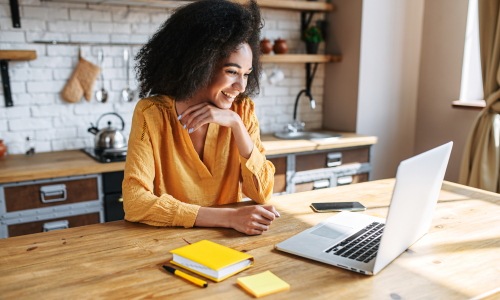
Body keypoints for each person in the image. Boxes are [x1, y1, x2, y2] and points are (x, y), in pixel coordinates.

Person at [122, 0, 278, 235]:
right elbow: (135, 203)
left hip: (230, 241)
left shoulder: (242, 110)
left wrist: (236, 124)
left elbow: (263, 194)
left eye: (246, 74)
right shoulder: (151, 114)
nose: (240, 85)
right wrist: (229, 218)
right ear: (199, 64)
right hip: (170, 242)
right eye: (232, 72)